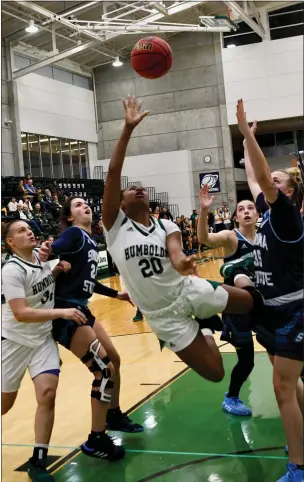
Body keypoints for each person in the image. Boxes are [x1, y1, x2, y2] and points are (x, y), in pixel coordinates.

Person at [102, 95, 264, 383]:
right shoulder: (114, 225)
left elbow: (176, 255)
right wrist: (127, 129)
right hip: (163, 315)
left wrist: (184, 262)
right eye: (131, 189)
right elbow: (114, 172)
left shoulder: (165, 224)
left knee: (252, 302)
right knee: (215, 372)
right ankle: (205, 325)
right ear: (121, 203)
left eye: (141, 187)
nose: (137, 188)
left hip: (187, 289)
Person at [222, 101, 304, 482]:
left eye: (277, 179)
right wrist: (245, 146)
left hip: (295, 311)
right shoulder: (269, 213)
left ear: (288, 191)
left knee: (283, 388)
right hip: (278, 311)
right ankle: (299, 444)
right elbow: (256, 180)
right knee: (290, 386)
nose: (268, 181)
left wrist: (245, 132)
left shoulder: (286, 217)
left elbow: (264, 182)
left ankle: (298, 467)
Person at [39, 196, 144, 463]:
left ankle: (113, 413)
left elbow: (89, 281)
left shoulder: (89, 239)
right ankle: (96, 438)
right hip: (66, 312)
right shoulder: (73, 234)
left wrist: (114, 294)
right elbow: (53, 248)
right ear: (70, 217)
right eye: (77, 205)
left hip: (82, 309)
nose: (84, 205)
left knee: (114, 360)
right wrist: (48, 251)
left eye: (86, 202)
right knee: (104, 370)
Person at [1, 220, 86, 482]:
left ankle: (39, 460)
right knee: (4, 406)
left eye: (29, 229)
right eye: (21, 231)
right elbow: (21, 312)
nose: (29, 232)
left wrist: (58, 269)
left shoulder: (39, 258)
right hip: (13, 341)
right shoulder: (11, 270)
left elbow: (42, 283)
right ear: (11, 243)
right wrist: (62, 311)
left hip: (41, 340)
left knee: (47, 394)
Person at [197, 186, 258, 416]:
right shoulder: (232, 237)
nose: (246, 212)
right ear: (235, 217)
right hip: (237, 309)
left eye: (251, 208)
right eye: (241, 209)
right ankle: (231, 397)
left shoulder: (264, 237)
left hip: (261, 305)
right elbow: (204, 238)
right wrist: (204, 211)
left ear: (257, 214)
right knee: (247, 361)